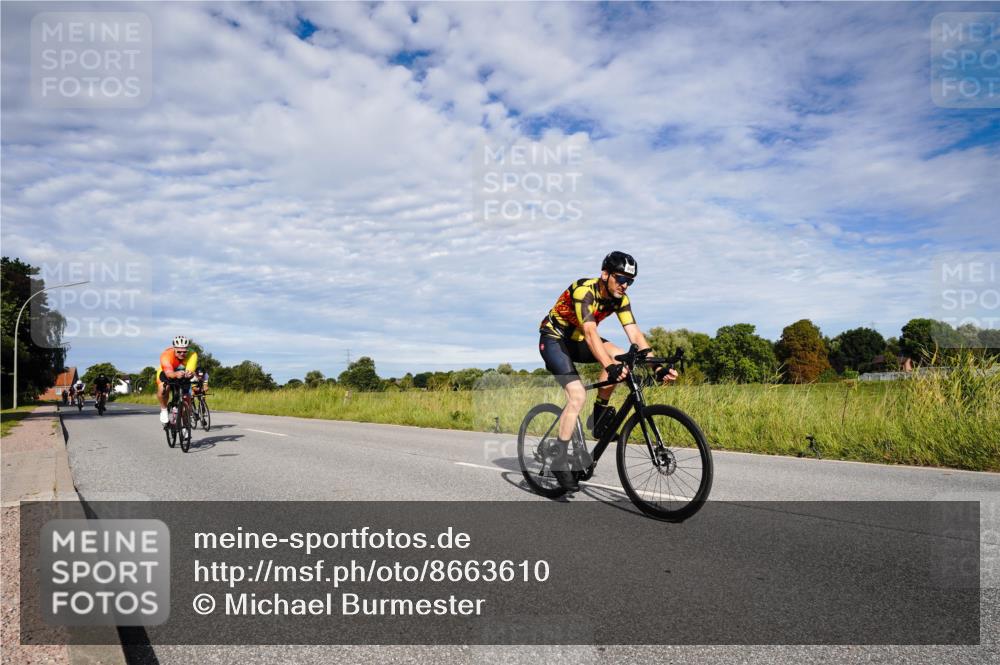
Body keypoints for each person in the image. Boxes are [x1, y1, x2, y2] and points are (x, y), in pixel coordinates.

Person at [538, 251, 677, 491]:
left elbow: (635, 335)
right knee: (578, 394)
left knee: (622, 356)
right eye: (621, 279)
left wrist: (657, 367)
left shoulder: (620, 300)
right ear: (605, 274)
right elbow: (591, 333)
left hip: (578, 341)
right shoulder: (584, 291)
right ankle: (559, 459)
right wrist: (609, 367)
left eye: (630, 281)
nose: (625, 285)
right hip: (554, 339)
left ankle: (599, 417)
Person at [157, 335, 199, 424]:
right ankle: (164, 410)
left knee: (186, 398)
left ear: (188, 350)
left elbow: (190, 371)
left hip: (182, 374)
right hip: (167, 372)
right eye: (179, 351)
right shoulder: (166, 355)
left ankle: (186, 423)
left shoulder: (193, 354)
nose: (182, 354)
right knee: (163, 388)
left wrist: (189, 374)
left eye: (184, 352)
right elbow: (169, 373)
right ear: (174, 349)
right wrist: (175, 374)